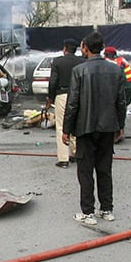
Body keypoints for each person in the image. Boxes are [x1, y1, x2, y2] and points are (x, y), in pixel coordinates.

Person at [63, 32, 127, 227]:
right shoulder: (116, 71)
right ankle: (107, 209)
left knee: (85, 170)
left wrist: (66, 129)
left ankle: (88, 212)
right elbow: (121, 102)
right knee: (104, 169)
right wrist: (120, 125)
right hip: (108, 126)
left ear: (85, 48)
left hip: (85, 127)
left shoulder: (79, 70)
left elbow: (73, 103)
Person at [46, 38, 83, 168]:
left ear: (65, 48)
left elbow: (53, 82)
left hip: (62, 95)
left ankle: (63, 159)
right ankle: (75, 154)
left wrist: (50, 98)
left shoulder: (57, 62)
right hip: (78, 96)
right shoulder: (82, 62)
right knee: (76, 124)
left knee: (61, 125)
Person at [103, 46, 131, 112]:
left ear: (105, 55)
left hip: (124, 85)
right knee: (124, 104)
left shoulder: (109, 63)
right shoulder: (122, 60)